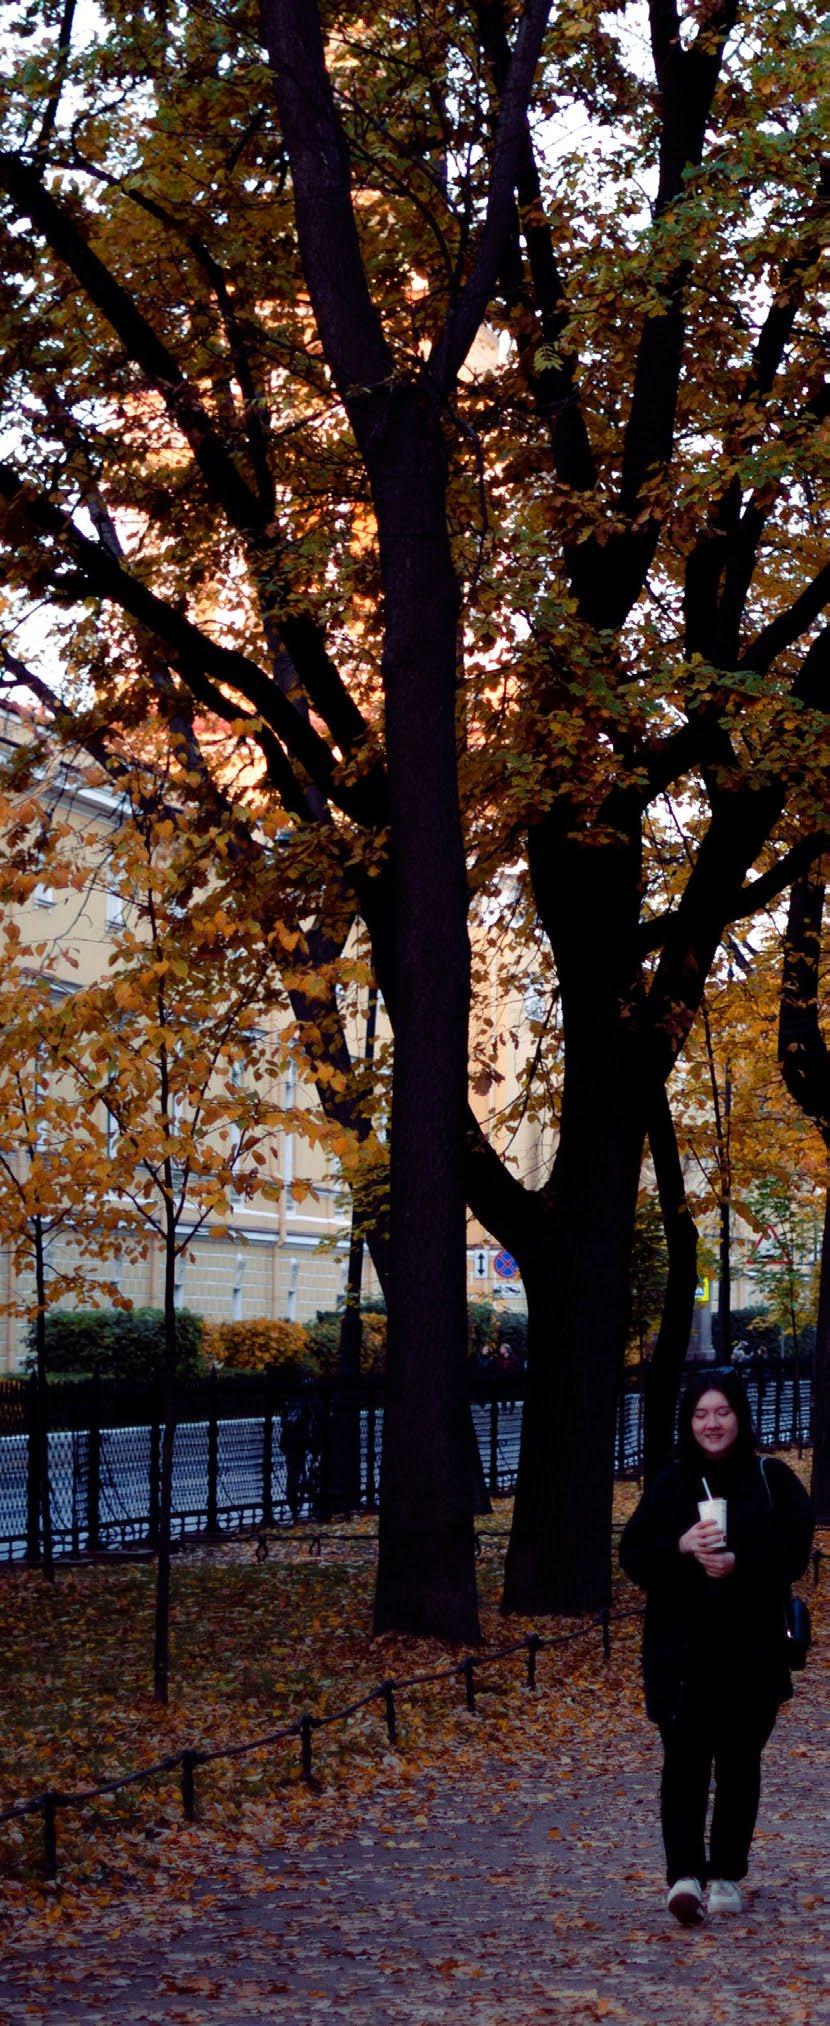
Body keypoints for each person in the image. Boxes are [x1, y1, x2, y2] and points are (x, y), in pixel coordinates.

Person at [619, 1367, 813, 1924]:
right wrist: (681, 1546)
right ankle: (684, 1876)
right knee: (683, 1763)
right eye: (701, 1414)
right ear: (689, 1421)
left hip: (751, 1652)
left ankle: (726, 1872)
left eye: (722, 1412)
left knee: (738, 1764)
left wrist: (739, 1563)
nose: (712, 1423)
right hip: (682, 1653)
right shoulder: (670, 1483)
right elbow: (634, 1557)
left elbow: (793, 1554)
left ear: (739, 1417)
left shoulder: (772, 1479)